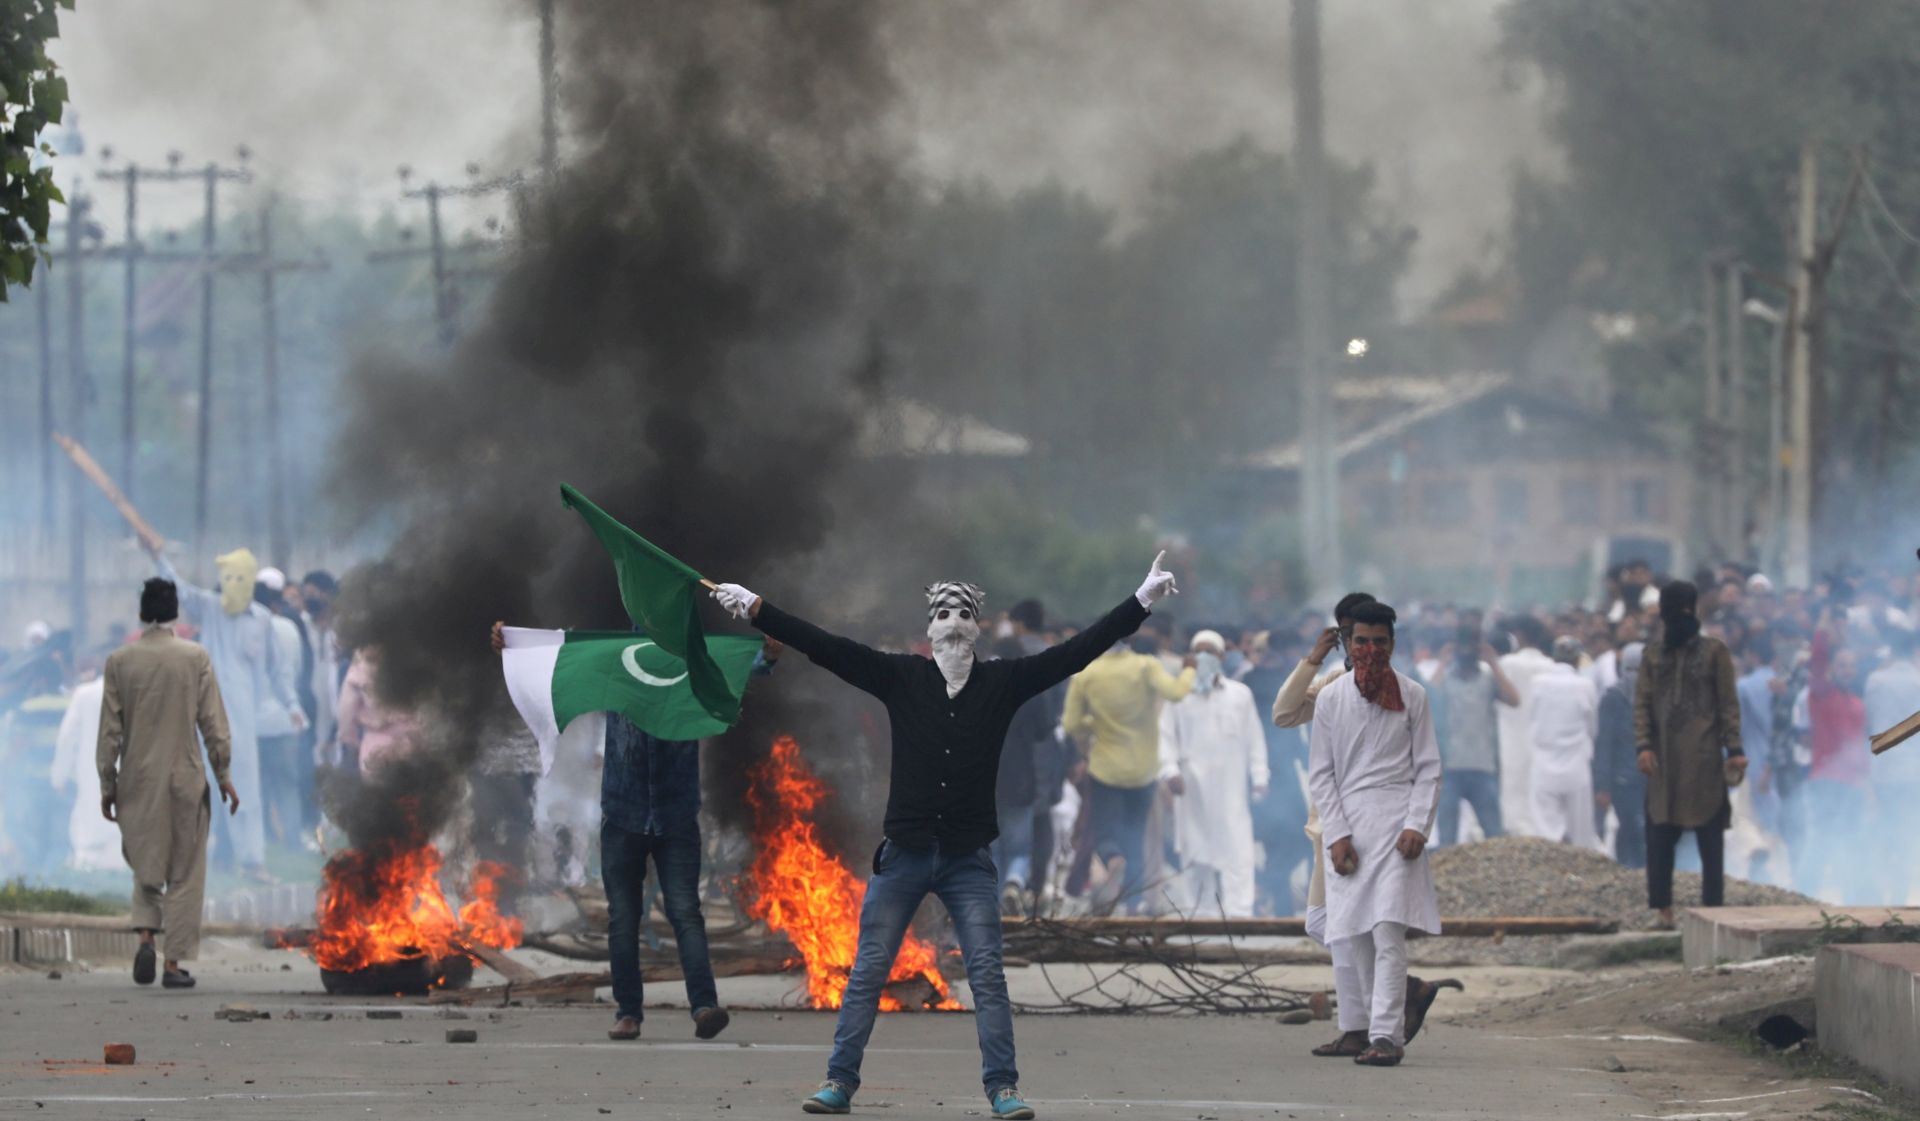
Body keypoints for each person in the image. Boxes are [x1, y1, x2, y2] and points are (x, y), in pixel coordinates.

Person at [709, 553, 1179, 1119]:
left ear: (977, 626)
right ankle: (838, 1082)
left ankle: (1003, 1088)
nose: (953, 620)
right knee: (867, 971)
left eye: (963, 611)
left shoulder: (1005, 682)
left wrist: (1141, 601)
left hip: (967, 860)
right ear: (929, 628)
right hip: (903, 856)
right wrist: (758, 609)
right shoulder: (901, 677)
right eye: (943, 612)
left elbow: (1078, 651)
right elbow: (825, 646)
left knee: (987, 975)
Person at [1306, 601, 1442, 1068]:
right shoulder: (1329, 698)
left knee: (1387, 931)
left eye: (1379, 642)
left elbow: (1428, 770)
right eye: (1361, 641)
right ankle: (1364, 1029)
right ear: (1348, 642)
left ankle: (1387, 1037)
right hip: (1348, 832)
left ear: (1392, 644)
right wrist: (1337, 834)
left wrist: (1416, 825)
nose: (1369, 650)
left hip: (1397, 827)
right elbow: (1322, 776)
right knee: (1354, 933)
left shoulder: (1414, 696)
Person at [96, 578, 239, 989]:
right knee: (184, 871)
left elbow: (110, 733)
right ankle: (172, 965)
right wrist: (224, 775)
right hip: (184, 777)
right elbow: (214, 725)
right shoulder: (195, 658)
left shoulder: (120, 661)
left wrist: (108, 784)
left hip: (138, 780)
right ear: (176, 612)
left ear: (143, 613)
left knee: (146, 864)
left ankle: (145, 936)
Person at [149, 546, 296, 879]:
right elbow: (180, 589)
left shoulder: (261, 619)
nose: (233, 583)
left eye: (239, 577)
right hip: (202, 711)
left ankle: (252, 861)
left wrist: (292, 704)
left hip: (242, 719)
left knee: (244, 787)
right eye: (227, 577)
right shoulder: (210, 609)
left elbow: (278, 667)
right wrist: (158, 557)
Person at [1060, 613, 1196, 915]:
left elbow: (1070, 725)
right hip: (1144, 769)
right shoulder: (1146, 666)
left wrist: (1094, 724)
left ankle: (1111, 859)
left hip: (1105, 768)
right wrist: (1188, 671)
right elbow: (1176, 693)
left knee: (1104, 832)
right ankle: (1134, 905)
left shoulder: (1086, 674)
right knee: (1135, 836)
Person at [1635, 581, 1744, 928]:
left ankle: (1712, 912)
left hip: (1705, 758)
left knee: (1710, 837)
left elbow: (1728, 704)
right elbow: (1642, 705)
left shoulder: (1715, 652)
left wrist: (1735, 749)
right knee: (1659, 836)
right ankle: (1662, 911)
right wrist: (1644, 745)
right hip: (1664, 761)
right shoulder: (1652, 655)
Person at [1157, 630, 1270, 918]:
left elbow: (1254, 739)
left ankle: (1239, 912)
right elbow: (1165, 738)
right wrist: (1170, 772)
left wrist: (1259, 777)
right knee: (1195, 852)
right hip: (1192, 789)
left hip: (1231, 789)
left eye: (1210, 652)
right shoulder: (1178, 696)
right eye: (1199, 651)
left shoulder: (1239, 695)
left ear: (1222, 657)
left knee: (1237, 849)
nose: (1204, 657)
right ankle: (1201, 914)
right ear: (1191, 658)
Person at [1796, 607, 1869, 899]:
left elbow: (1861, 747)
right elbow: (1817, 662)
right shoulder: (1822, 692)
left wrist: (1867, 784)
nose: (1847, 669)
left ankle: (1853, 897)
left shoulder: (1857, 702)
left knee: (1851, 841)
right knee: (1822, 839)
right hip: (1826, 780)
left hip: (1852, 784)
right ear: (1834, 667)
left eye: (1851, 665)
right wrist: (1823, 631)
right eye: (1842, 664)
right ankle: (1804, 895)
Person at [1427, 621, 1518, 846]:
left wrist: (1494, 664)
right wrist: (1442, 663)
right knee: (1447, 837)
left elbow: (1514, 700)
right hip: (1450, 767)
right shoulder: (1445, 678)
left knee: (1494, 835)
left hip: (1482, 766)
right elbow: (1426, 702)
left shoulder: (1488, 679)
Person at [252, 571, 308, 851]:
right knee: (288, 785)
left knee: (258, 786)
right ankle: (293, 841)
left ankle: (265, 841)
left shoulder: (247, 628)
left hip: (254, 722)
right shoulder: (289, 628)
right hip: (286, 719)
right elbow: (296, 670)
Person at [1865, 625, 1920, 903]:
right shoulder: (1918, 680)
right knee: (1909, 827)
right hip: (1913, 769)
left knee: (1888, 829)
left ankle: (1889, 887)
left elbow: (1870, 720)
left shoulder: (1875, 680)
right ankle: (1904, 886)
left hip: (1884, 769)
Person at [1528, 636, 1600, 848]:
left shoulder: (1537, 683)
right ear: (1578, 660)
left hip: (1543, 764)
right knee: (1580, 831)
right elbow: (1592, 727)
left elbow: (1532, 718)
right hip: (1576, 764)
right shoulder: (1585, 686)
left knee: (1546, 829)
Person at [50, 662, 121, 871]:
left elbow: (67, 737)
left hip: (92, 770)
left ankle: (87, 871)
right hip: (130, 774)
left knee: (90, 826)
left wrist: (59, 777)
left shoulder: (84, 694)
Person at [1495, 615, 1557, 837]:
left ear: (1519, 635)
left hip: (1511, 734)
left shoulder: (1507, 664)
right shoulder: (1551, 667)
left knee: (1512, 785)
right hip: (1542, 737)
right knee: (1535, 786)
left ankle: (1514, 829)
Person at [1593, 643, 1648, 867]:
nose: (1635, 676)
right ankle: (1628, 870)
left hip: (1652, 778)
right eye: (1630, 669)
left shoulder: (1660, 699)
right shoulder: (1613, 698)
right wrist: (1602, 785)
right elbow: (1604, 743)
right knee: (1630, 825)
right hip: (1623, 779)